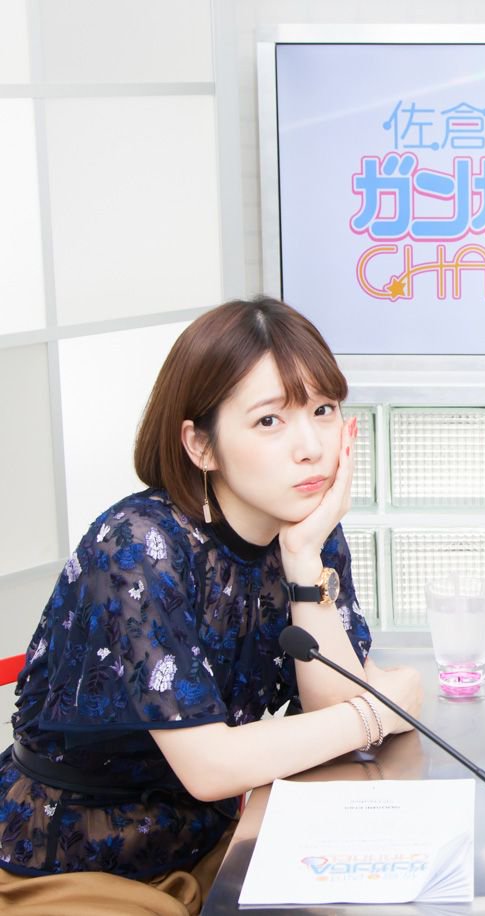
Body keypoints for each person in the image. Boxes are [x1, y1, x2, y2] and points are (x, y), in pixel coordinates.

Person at [0, 297, 423, 914]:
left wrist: (303, 559)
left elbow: (331, 710)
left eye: (323, 410)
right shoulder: (138, 546)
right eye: (269, 420)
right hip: (71, 865)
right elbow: (211, 767)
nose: (310, 446)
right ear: (201, 445)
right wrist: (382, 708)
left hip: (211, 845)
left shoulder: (307, 532)